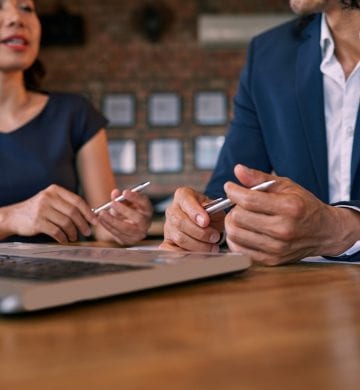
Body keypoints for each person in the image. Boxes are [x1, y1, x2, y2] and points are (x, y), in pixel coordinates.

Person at [161, 0, 360, 265]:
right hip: (305, 292)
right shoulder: (269, 55)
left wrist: (343, 230)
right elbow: (229, 190)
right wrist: (201, 222)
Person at [0, 0, 153, 244]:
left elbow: (102, 226)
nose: (16, 18)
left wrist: (123, 227)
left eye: (26, 8)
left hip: (58, 279)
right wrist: (9, 218)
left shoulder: (75, 114)